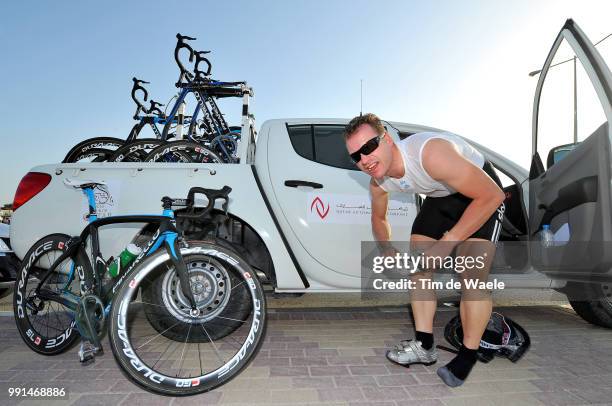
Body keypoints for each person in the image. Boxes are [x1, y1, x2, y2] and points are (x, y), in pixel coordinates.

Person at [344, 113, 505, 387]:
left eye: (369, 147)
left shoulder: (429, 153)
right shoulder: (379, 182)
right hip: (440, 199)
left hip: (480, 194)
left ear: (388, 139)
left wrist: (447, 242)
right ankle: (425, 346)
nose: (365, 160)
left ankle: (467, 356)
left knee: (472, 274)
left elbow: (492, 196)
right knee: (418, 271)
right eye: (356, 156)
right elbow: (379, 219)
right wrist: (387, 250)